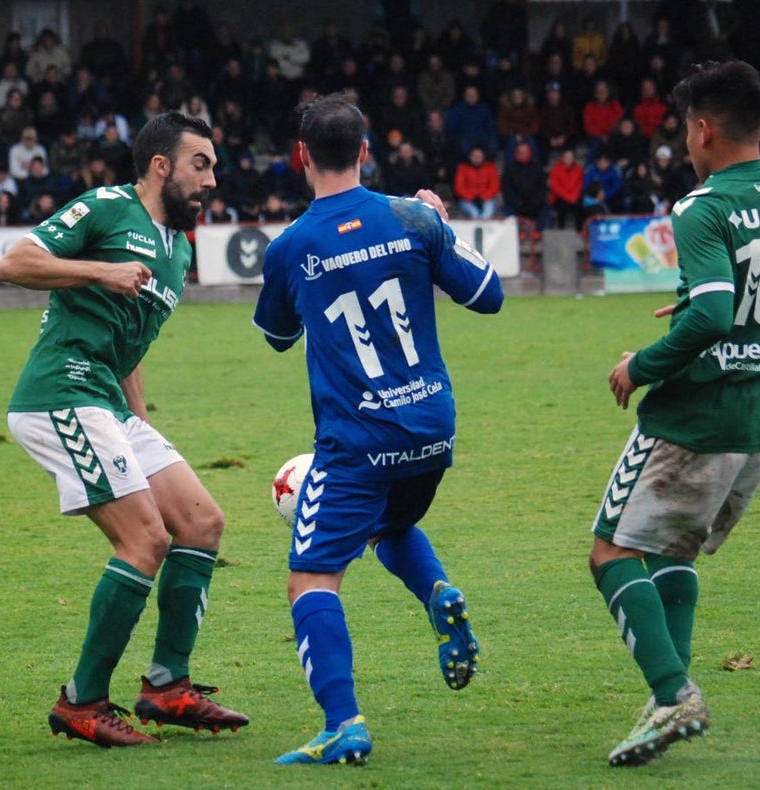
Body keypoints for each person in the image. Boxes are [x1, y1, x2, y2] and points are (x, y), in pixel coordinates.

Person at [591, 59, 760, 768]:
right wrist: (720, 314)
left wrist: (642, 364)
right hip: (757, 423)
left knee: (610, 551)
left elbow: (717, 314)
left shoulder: (702, 205)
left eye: (684, 130)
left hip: (690, 420)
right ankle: (667, 701)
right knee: (674, 549)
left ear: (702, 130)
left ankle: (673, 693)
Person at [253, 93, 503, 766]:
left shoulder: (291, 247)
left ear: (300, 156)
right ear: (366, 151)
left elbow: (278, 336)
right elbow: (490, 296)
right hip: (432, 429)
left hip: (359, 444)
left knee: (311, 579)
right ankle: (438, 591)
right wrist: (442, 227)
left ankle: (343, 725)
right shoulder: (412, 217)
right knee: (389, 526)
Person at [0, 112, 249, 748]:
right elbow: (13, 262)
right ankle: (81, 702)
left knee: (200, 521)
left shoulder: (179, 249)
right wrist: (98, 271)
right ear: (160, 166)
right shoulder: (107, 208)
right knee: (145, 539)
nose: (212, 179)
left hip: (107, 400)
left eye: (213, 167)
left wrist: (139, 419)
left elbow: (129, 346)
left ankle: (167, 687)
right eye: (201, 164)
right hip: (59, 393)